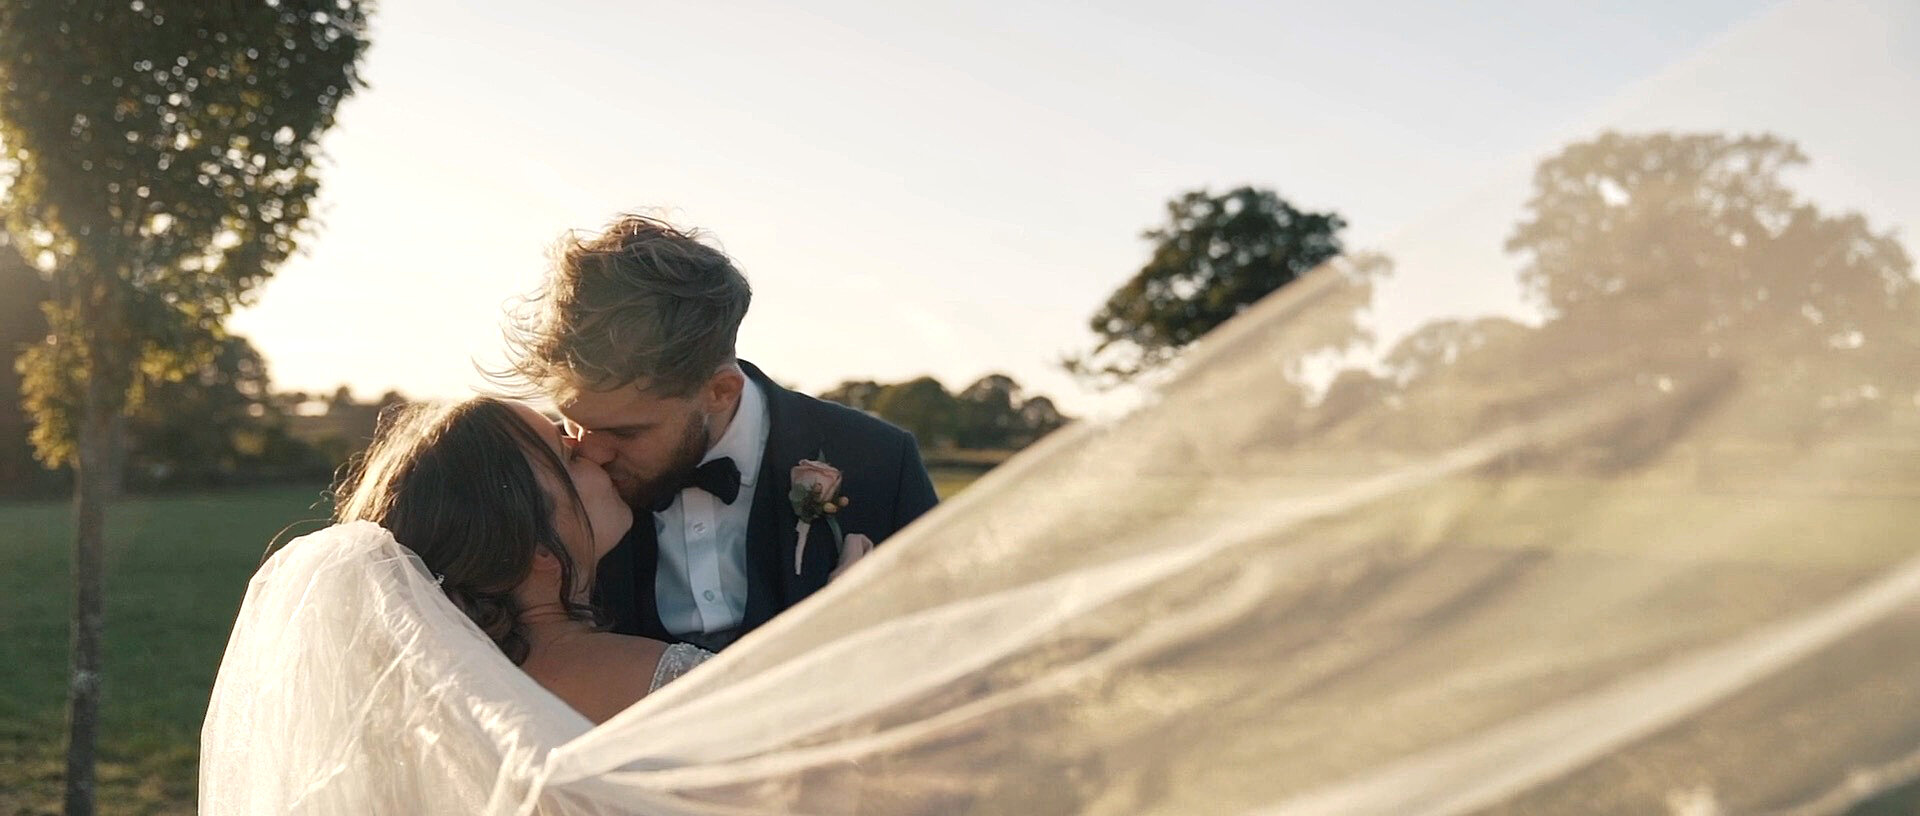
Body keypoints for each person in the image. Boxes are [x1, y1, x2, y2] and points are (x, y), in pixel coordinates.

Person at [501, 214, 941, 652]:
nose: (591, 453)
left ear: (719, 391)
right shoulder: (547, 488)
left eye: (627, 432)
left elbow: (948, 648)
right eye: (576, 421)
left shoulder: (880, 462)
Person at [330, 395, 713, 722]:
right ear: (541, 548)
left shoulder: (419, 712)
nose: (593, 454)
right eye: (569, 457)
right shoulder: (661, 683)